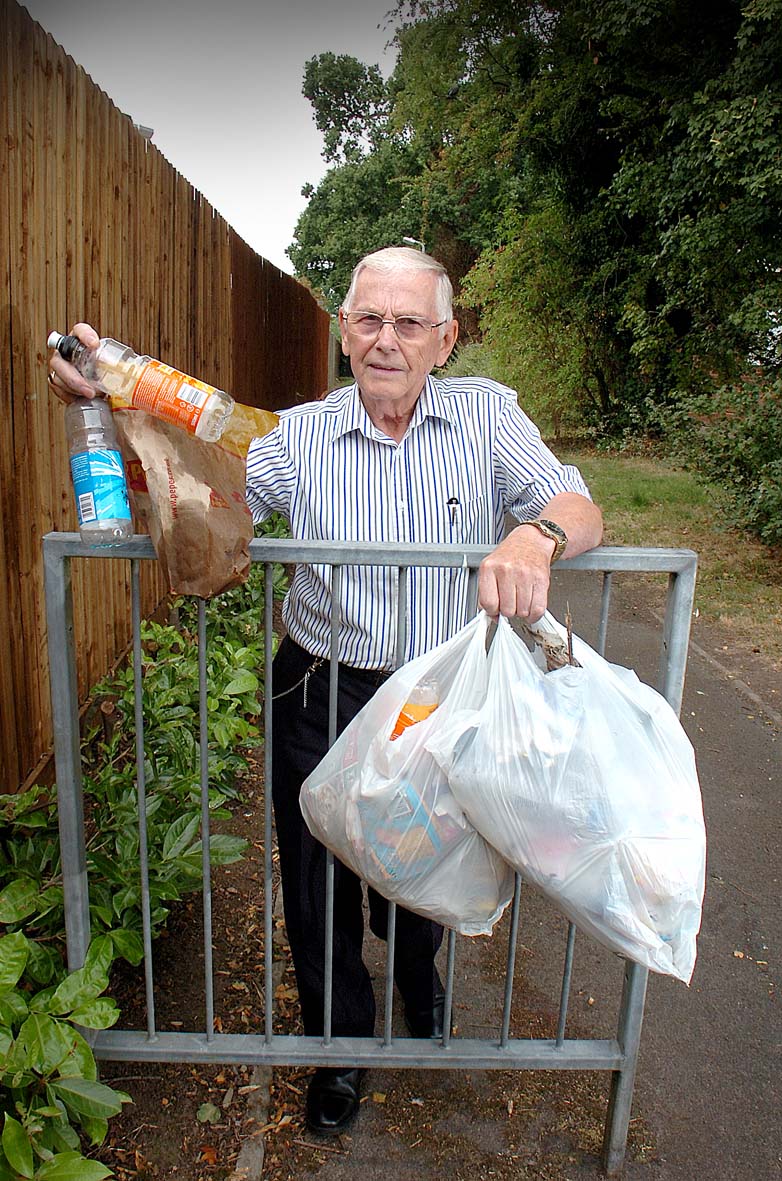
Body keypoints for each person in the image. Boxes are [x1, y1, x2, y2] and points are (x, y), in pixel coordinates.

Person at [48, 246, 602, 1136]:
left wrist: (536, 535)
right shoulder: (296, 436)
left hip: (439, 696)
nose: (386, 340)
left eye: (409, 322)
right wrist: (105, 410)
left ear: (446, 338)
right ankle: (340, 1045)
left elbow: (578, 505)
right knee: (319, 881)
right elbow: (198, 497)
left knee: (430, 858)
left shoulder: (488, 415)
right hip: (324, 686)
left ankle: (419, 985)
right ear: (344, 331)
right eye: (368, 319)